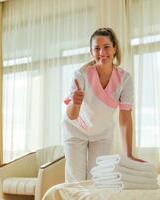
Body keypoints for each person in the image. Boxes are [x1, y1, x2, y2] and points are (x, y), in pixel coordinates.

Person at [62, 27, 144, 182]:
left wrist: (129, 154)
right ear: (91, 52)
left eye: (106, 47)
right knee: (77, 182)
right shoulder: (81, 74)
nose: (102, 52)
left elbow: (125, 117)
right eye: (97, 48)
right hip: (75, 130)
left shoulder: (125, 79)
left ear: (114, 48)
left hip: (101, 134)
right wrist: (75, 102)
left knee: (97, 179)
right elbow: (72, 115)